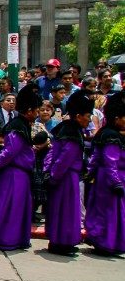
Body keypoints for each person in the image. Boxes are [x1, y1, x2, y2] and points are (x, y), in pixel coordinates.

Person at [0, 83, 40, 251]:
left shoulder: (21, 124)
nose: (37, 114)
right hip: (14, 174)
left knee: (16, 208)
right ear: (29, 110)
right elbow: (10, 150)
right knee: (11, 208)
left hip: (20, 173)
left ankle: (15, 239)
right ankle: (6, 239)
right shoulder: (17, 126)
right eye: (36, 110)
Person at [44, 90, 92, 256]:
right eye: (88, 115)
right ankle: (62, 242)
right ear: (78, 115)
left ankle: (61, 241)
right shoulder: (72, 132)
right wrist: (55, 176)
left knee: (61, 210)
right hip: (66, 178)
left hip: (63, 176)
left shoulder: (66, 128)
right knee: (65, 211)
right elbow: (65, 158)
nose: (90, 119)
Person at [84, 91, 125, 256]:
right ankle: (107, 243)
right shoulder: (112, 136)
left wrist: (90, 173)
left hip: (103, 178)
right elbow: (111, 161)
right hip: (111, 180)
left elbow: (94, 158)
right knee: (110, 213)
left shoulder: (105, 133)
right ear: (117, 118)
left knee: (103, 211)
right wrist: (116, 182)